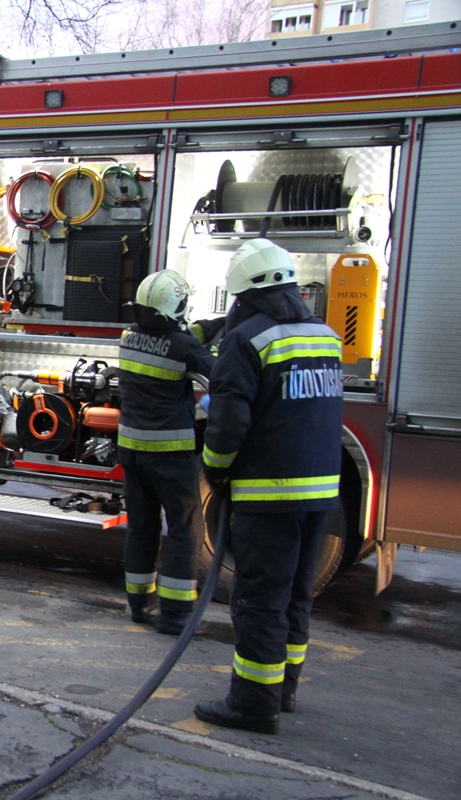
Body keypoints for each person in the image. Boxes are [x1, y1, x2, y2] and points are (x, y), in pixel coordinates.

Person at [193, 238, 344, 735]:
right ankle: (285, 689)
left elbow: (229, 422)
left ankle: (253, 705)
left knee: (259, 600)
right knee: (297, 595)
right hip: (319, 493)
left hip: (267, 494)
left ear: (242, 293)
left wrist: (215, 469)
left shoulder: (247, 340)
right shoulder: (322, 335)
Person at [118, 270, 222, 635]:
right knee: (183, 529)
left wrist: (216, 324)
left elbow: (176, 339)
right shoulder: (183, 348)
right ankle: (176, 614)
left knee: (142, 528)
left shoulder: (129, 337)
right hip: (170, 454)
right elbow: (218, 372)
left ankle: (138, 604)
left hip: (132, 452)